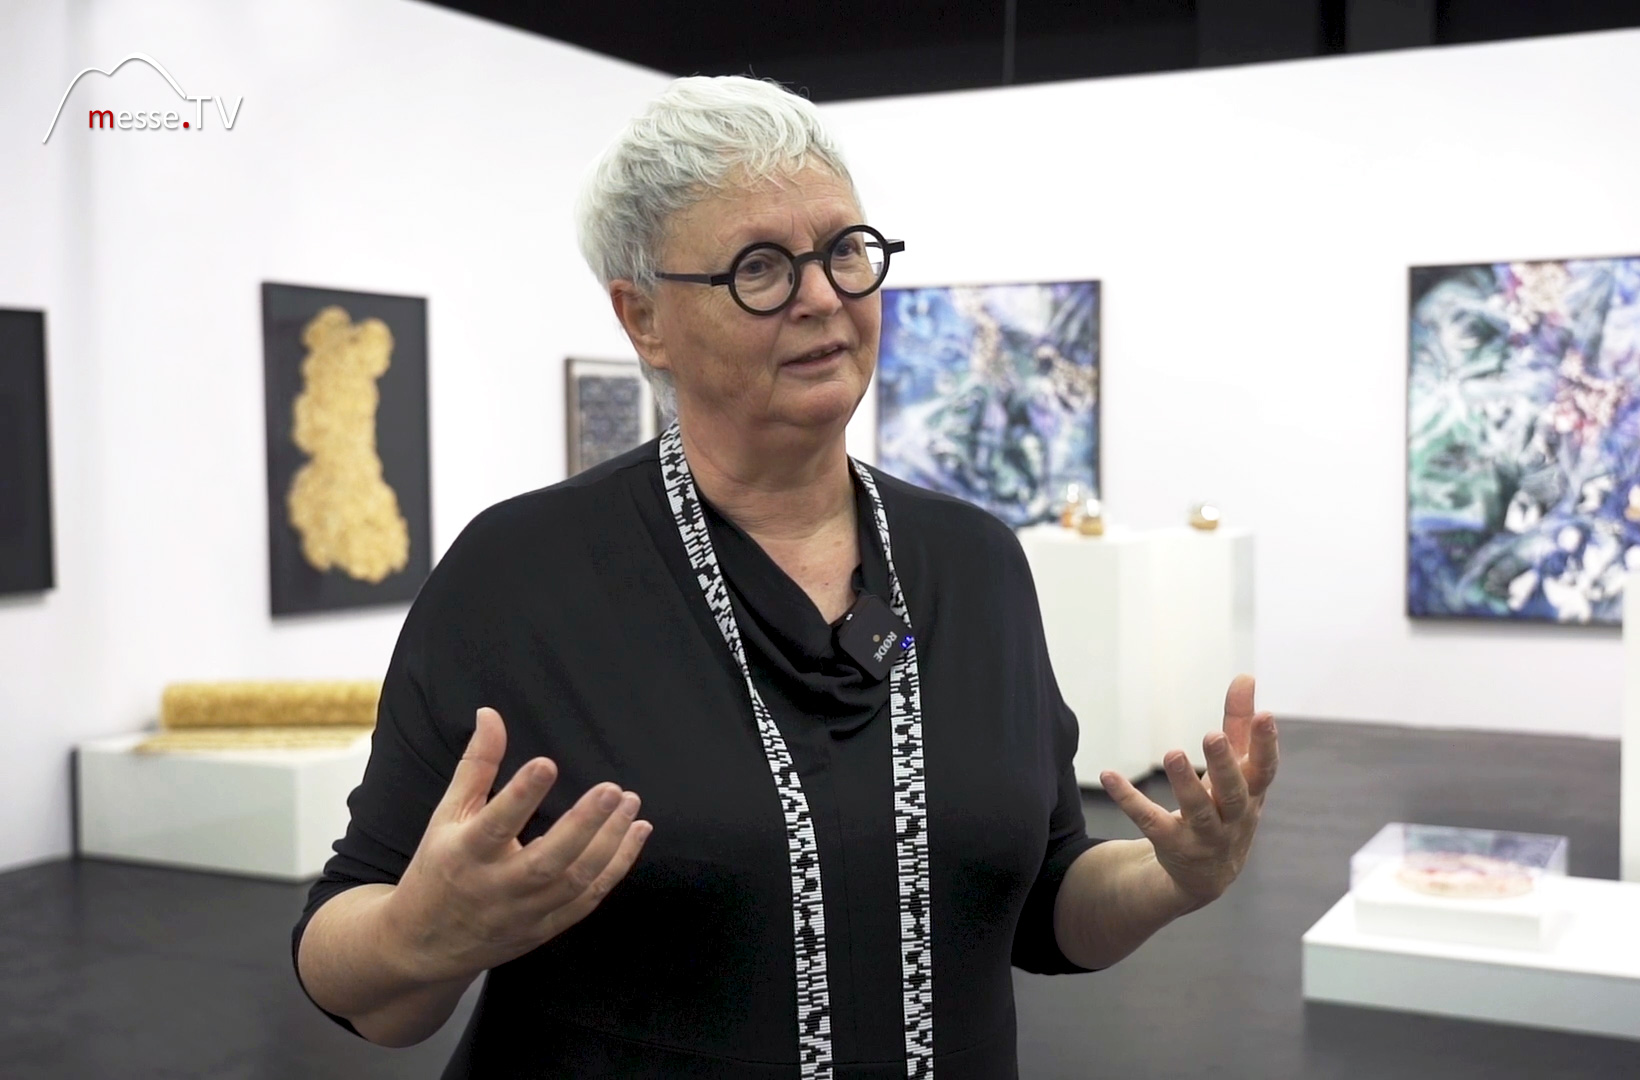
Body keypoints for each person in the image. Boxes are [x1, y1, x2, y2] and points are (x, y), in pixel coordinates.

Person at [291, 75, 1281, 1080]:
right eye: (759, 267)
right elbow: (346, 956)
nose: (822, 297)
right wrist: (419, 936)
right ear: (644, 319)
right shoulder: (520, 577)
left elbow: (1043, 902)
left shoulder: (973, 562)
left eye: (845, 250)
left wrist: (1170, 878)